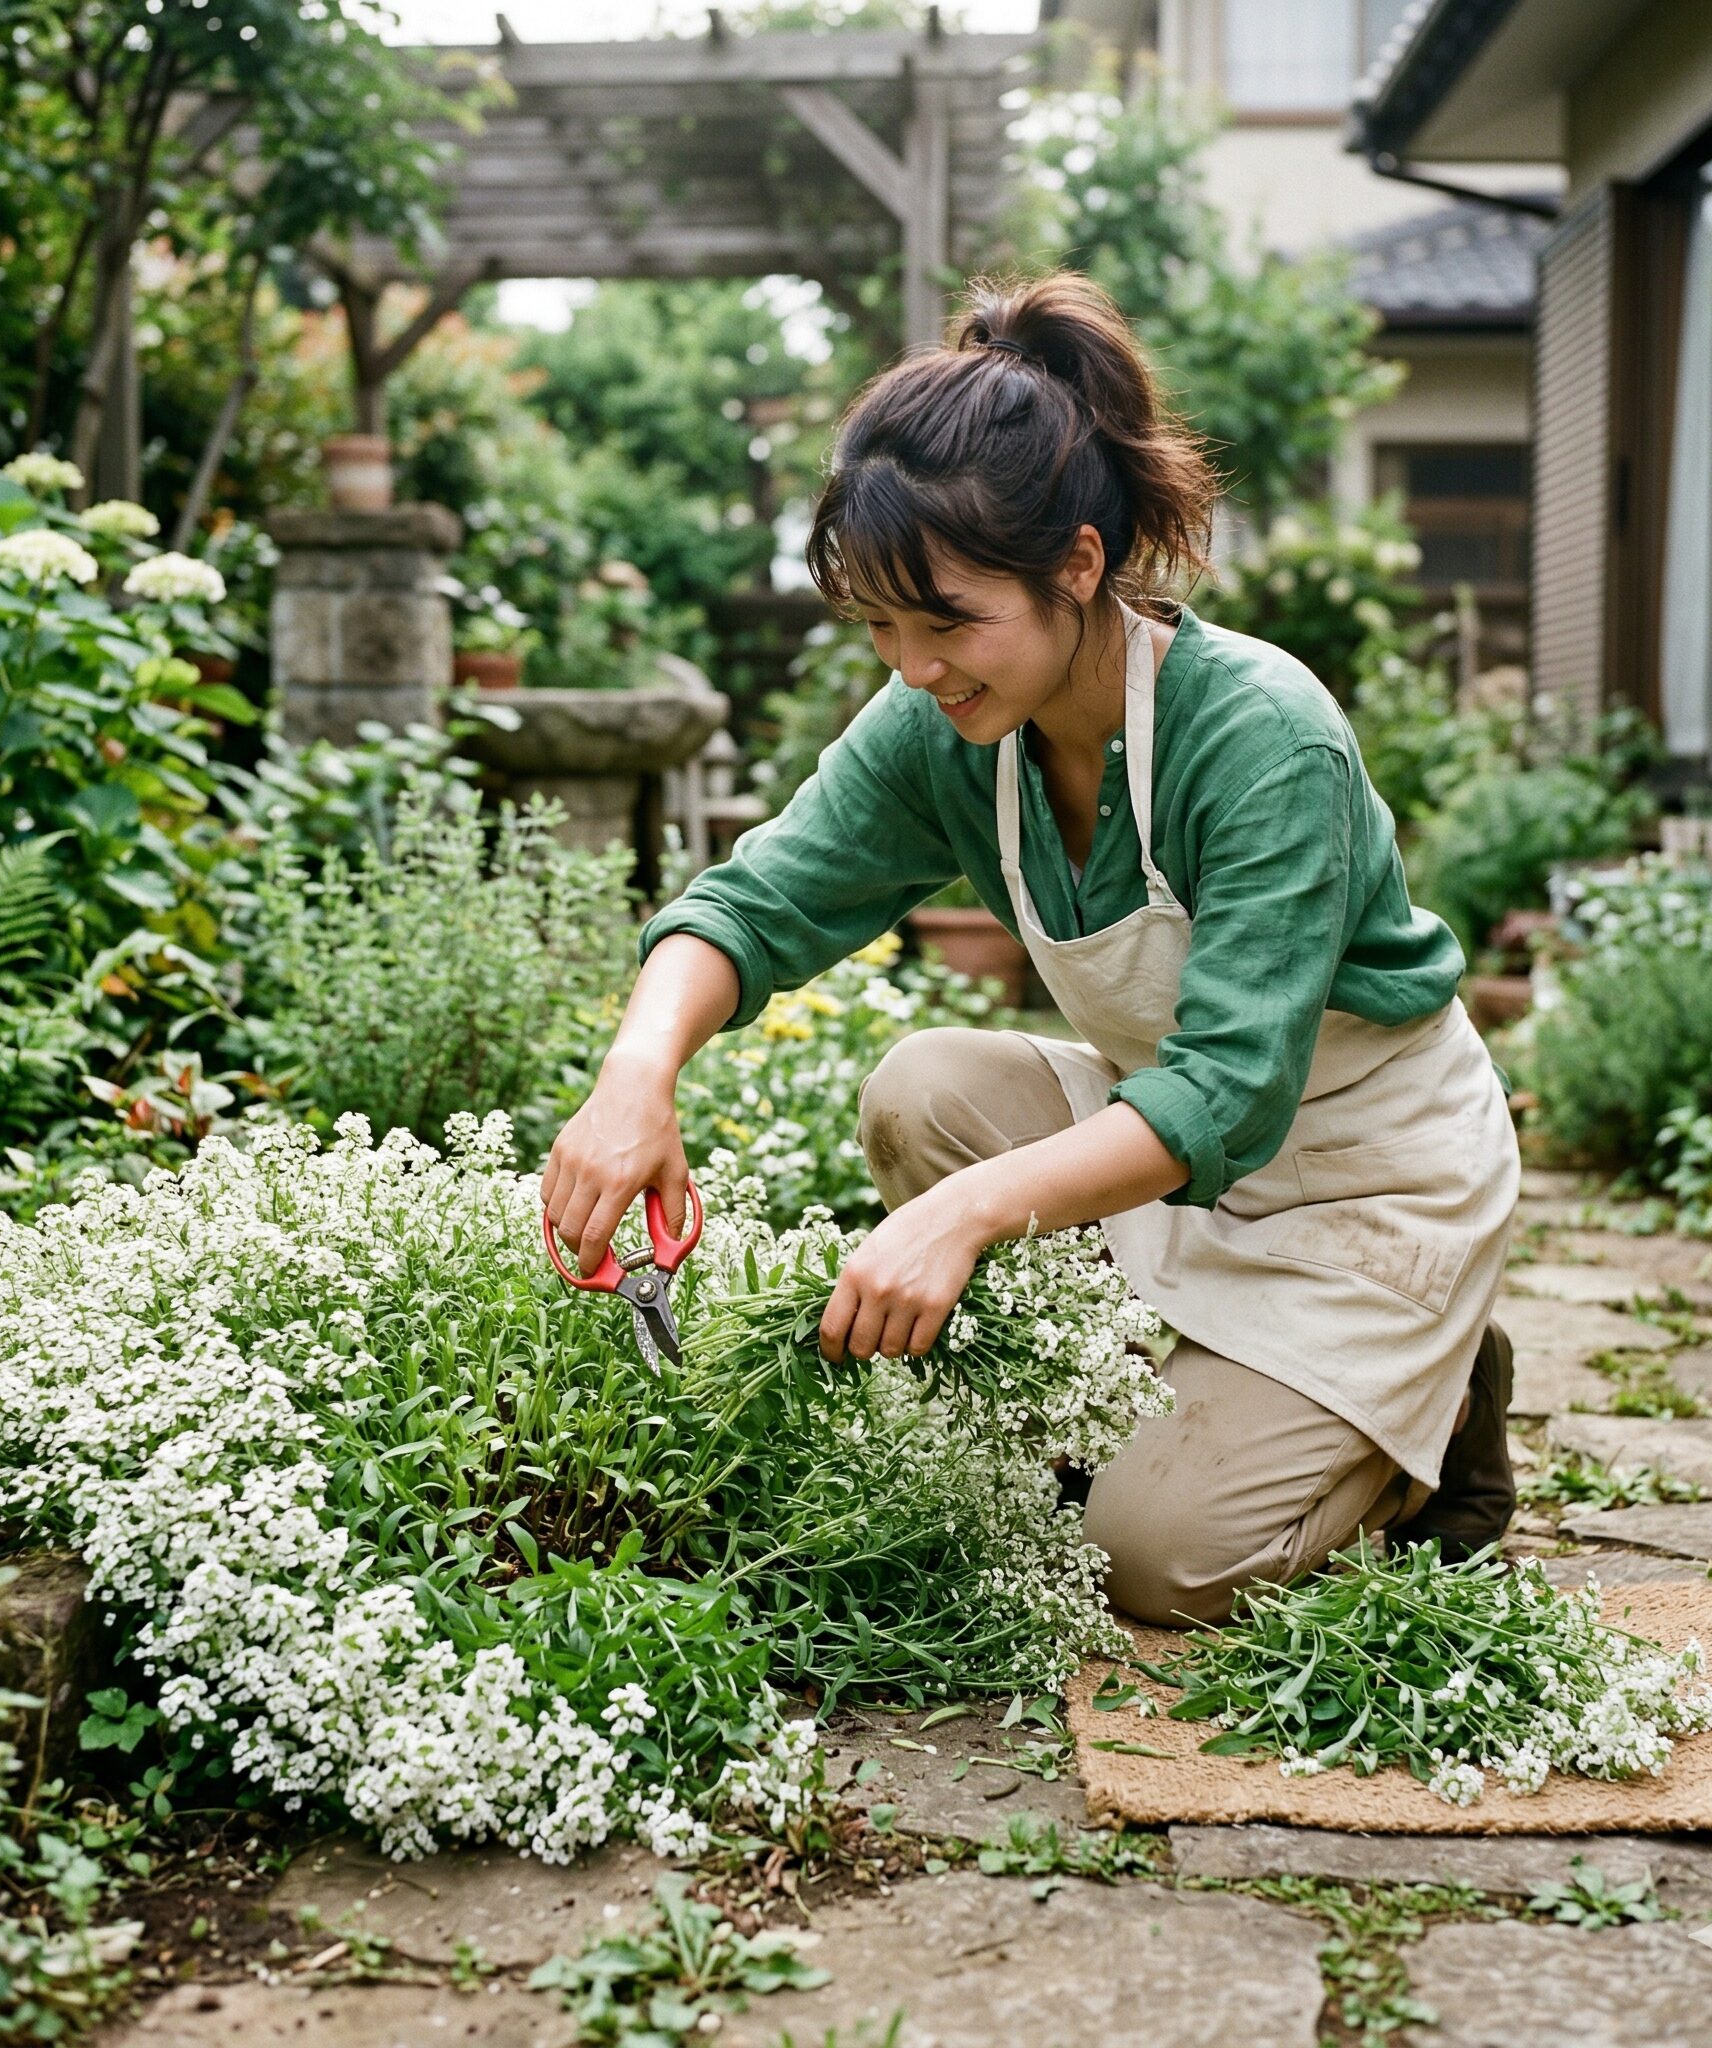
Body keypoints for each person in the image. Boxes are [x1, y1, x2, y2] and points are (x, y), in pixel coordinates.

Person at [541, 271, 1520, 1626]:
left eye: (946, 620)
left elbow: (1231, 1087)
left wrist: (967, 1210)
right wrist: (632, 1078)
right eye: (880, 624)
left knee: (1156, 1561)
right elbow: (756, 900)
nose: (915, 665)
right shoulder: (941, 723)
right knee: (923, 1092)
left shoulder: (1259, 738)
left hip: (1362, 1187)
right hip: (1167, 1160)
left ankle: (1438, 1416)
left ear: (1076, 564)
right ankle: (1204, 1402)